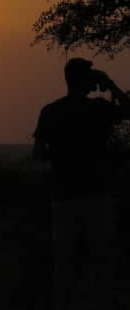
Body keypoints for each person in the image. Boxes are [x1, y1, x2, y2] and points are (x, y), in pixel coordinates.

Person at [33, 57, 129, 310]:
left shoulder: (50, 111)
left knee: (65, 261)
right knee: (102, 258)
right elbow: (128, 109)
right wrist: (110, 84)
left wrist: (62, 155)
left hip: (64, 195)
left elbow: (38, 153)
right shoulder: (98, 109)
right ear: (87, 80)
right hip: (97, 193)